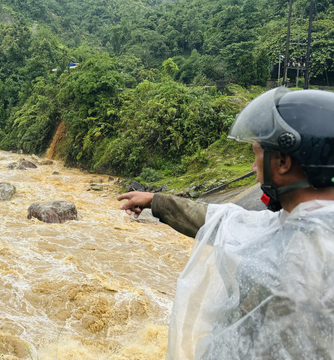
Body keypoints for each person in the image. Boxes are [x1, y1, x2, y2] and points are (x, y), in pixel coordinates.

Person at [117, 87, 334, 360]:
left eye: (256, 154)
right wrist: (155, 201)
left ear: (282, 162)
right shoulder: (294, 224)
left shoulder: (307, 251)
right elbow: (226, 221)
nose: (254, 169)